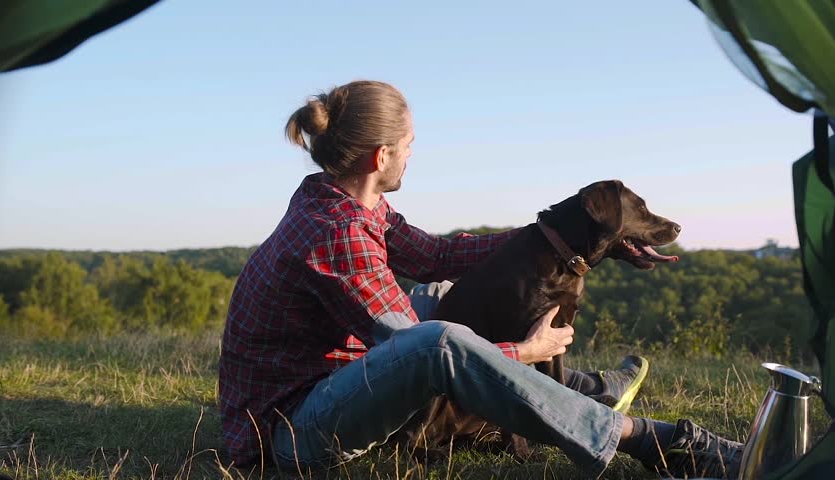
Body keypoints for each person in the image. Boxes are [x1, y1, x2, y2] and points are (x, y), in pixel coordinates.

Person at [218, 80, 743, 478]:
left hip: (326, 379)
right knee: (436, 339)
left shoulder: (340, 198)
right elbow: (419, 352)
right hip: (288, 432)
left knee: (438, 296)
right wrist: (522, 351)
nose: (411, 154)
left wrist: (547, 233)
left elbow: (435, 256)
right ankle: (657, 441)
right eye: (409, 144)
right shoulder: (337, 232)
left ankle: (590, 389)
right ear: (382, 157)